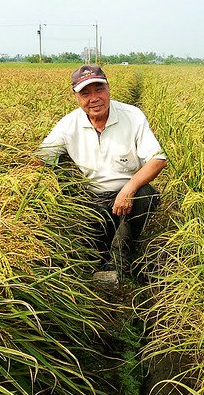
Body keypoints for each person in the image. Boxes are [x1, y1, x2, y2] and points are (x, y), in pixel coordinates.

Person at [36, 64, 167, 273]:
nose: (94, 98)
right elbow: (41, 158)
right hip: (92, 199)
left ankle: (126, 255)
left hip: (128, 196)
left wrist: (129, 188)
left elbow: (157, 159)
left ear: (108, 89)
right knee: (96, 249)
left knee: (145, 195)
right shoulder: (68, 125)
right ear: (76, 97)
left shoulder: (132, 116)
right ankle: (98, 259)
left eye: (99, 89)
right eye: (85, 93)